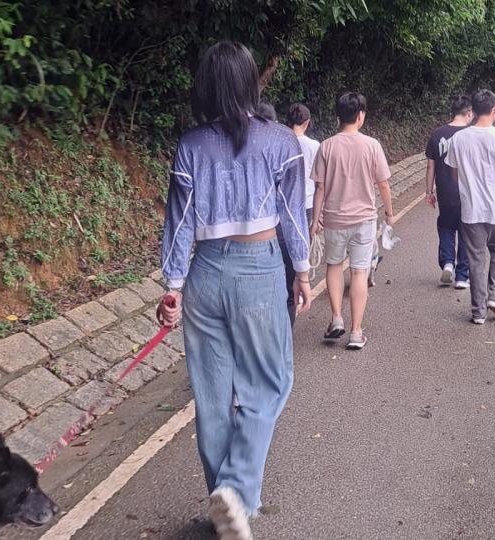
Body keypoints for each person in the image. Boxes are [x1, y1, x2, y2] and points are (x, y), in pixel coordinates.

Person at [157, 41, 312, 540]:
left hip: (203, 273)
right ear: (251, 82)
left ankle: (226, 505)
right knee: (271, 381)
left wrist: (173, 286)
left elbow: (179, 223)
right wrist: (304, 271)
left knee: (212, 394)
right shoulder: (281, 142)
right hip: (258, 269)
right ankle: (237, 493)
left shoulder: (190, 146)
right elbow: (291, 216)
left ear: (205, 87)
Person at [309, 91, 394, 350]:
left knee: (334, 266)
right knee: (359, 271)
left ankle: (336, 318)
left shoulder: (326, 146)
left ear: (338, 117)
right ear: (360, 116)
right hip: (364, 220)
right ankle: (356, 332)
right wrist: (389, 215)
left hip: (334, 219)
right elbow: (384, 184)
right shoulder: (372, 145)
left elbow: (320, 189)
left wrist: (315, 219)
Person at [445, 89, 495, 325]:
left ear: (473, 111)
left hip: (471, 211)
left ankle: (478, 312)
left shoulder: (457, 139)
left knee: (476, 259)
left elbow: (454, 172)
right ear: (494, 110)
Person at [277, 103, 321, 325]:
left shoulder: (278, 143)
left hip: (279, 209)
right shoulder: (314, 145)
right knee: (298, 259)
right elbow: (320, 181)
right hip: (306, 205)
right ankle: (288, 317)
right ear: (307, 123)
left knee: (282, 258)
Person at [425, 96, 473, 289]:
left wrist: (429, 191)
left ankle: (447, 263)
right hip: (468, 193)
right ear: (469, 113)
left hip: (445, 192)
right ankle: (462, 276)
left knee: (445, 227)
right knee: (466, 232)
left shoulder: (438, 134)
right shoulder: (471, 134)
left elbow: (430, 166)